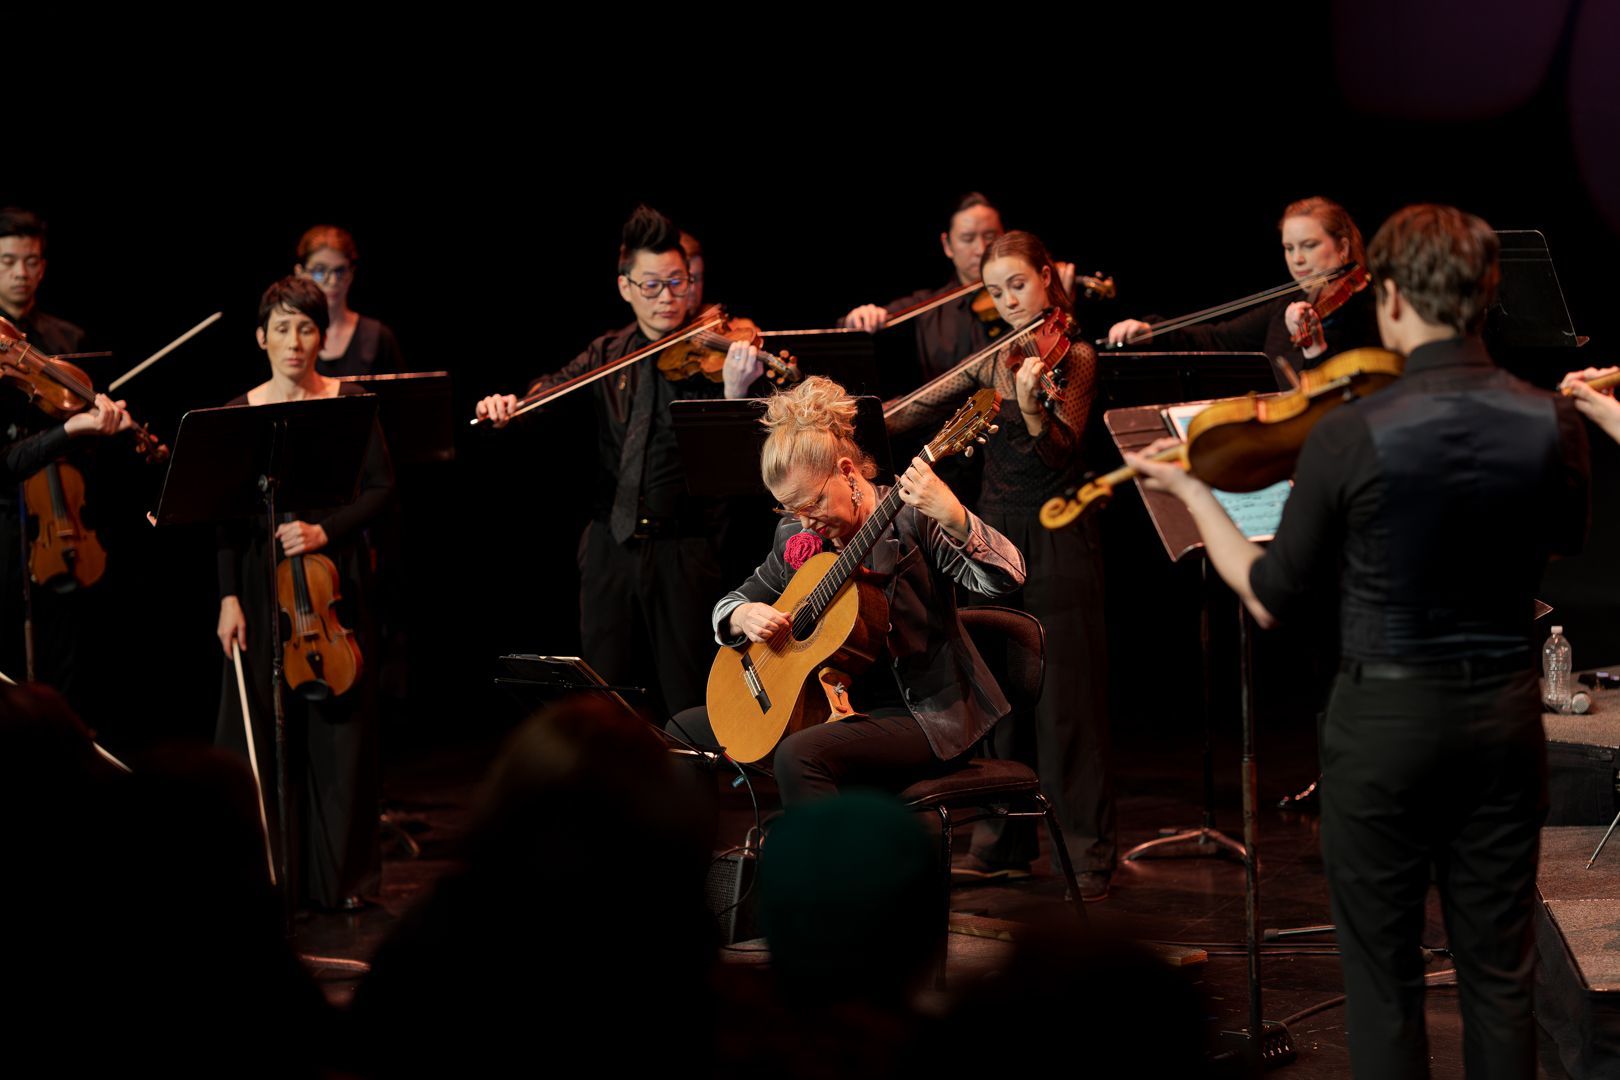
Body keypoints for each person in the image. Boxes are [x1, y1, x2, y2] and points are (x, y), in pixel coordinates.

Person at [1128, 204, 1589, 1079]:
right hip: (1500, 722)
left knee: (1383, 983)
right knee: (1500, 976)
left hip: (1384, 726)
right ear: (1488, 292)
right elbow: (1560, 539)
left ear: (1391, 297)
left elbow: (1272, 595)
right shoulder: (1550, 420)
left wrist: (1193, 497)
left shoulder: (1348, 429)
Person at [669, 375, 1025, 804]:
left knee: (800, 755)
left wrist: (956, 518)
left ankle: (835, 849)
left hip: (921, 714)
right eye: (790, 508)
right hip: (835, 709)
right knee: (683, 731)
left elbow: (1007, 578)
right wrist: (742, 616)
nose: (805, 521)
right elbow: (732, 601)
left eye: (812, 503)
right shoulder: (796, 535)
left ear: (846, 472)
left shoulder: (914, 519)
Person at [885, 230, 1113, 898]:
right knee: (997, 694)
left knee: (1066, 703)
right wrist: (848, 417)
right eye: (996, 290)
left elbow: (1059, 452)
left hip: (1058, 533)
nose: (1010, 300)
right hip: (990, 537)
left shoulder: (1077, 357)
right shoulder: (991, 359)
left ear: (1046, 278)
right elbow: (914, 410)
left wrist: (1034, 404)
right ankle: (1002, 844)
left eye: (1019, 284)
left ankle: (1087, 854)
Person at [474, 205, 765, 716]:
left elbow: (743, 464)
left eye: (677, 282)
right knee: (601, 695)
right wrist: (510, 407)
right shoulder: (608, 351)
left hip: (684, 547)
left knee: (690, 697)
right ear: (625, 287)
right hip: (609, 542)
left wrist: (734, 394)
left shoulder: (721, 354)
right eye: (651, 286)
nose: (667, 298)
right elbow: (550, 390)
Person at [215, 275, 395, 911]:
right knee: (259, 733)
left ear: (322, 337)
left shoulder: (349, 401)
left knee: (341, 738)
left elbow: (382, 488)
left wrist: (326, 529)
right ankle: (267, 879)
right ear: (261, 338)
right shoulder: (239, 410)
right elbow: (226, 520)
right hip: (261, 588)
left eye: (307, 328)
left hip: (332, 583)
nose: (294, 341)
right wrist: (228, 598)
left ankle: (341, 883)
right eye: (282, 328)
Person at [0, 207, 131, 709]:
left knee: (67, 666)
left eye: (31, 261)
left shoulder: (66, 340)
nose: (21, 273)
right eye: (8, 261)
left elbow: (89, 451)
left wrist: (105, 426)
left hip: (61, 516)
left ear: (44, 266)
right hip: (4, 519)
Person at [1106, 195, 1381, 371]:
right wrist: (1153, 331)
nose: (1297, 259)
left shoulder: (1373, 311)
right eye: (1289, 248)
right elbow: (1218, 338)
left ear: (1342, 247)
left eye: (1308, 245)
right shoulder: (1286, 305)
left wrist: (1315, 348)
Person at [840, 192, 1009, 382]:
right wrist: (860, 318)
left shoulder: (1019, 296)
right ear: (947, 245)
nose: (981, 249)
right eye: (968, 239)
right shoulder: (927, 306)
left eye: (990, 236)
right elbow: (849, 328)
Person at [292, 224, 404, 378]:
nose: (332, 281)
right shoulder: (288, 337)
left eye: (340, 271)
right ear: (300, 273)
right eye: (320, 270)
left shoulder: (378, 336)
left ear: (351, 273)